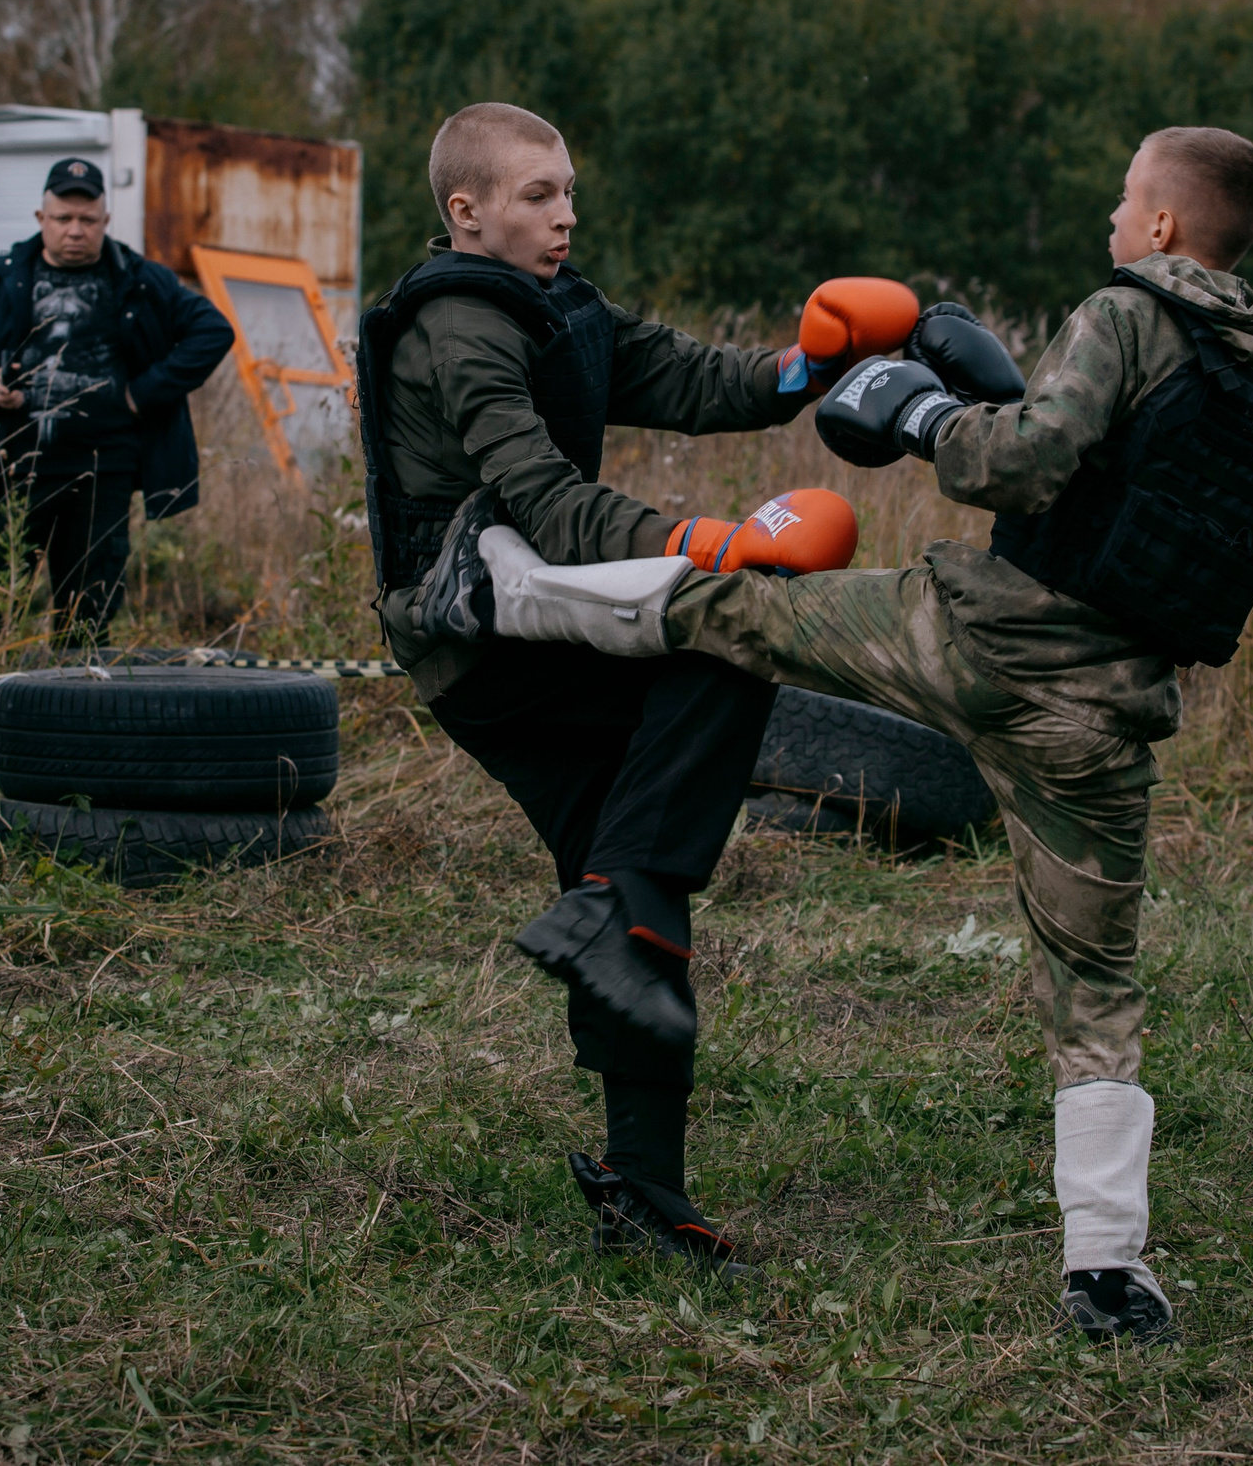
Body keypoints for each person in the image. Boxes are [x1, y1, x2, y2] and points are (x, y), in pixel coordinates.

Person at [441, 126, 1253, 1342]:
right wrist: (974, 393)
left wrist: (926, 414)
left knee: (746, 606)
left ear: (1163, 226)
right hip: (1104, 709)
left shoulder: (1125, 312)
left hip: (978, 639)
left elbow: (1019, 469)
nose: (1112, 220)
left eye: (1125, 200)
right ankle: (1108, 1270)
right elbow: (1123, 495)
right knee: (1095, 988)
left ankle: (508, 592)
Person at [357, 101, 915, 1274]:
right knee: (726, 639)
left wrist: (809, 361)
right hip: (483, 637)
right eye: (537, 196)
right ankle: (615, 920)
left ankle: (643, 1187)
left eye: (567, 190)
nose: (565, 214)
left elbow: (695, 379)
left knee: (626, 884)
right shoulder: (459, 326)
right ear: (466, 211)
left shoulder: (557, 301)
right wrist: (708, 541)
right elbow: (545, 499)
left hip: (540, 616)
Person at [0, 158, 234, 642]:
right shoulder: (0, 276)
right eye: (63, 219)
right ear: (41, 219)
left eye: (88, 220)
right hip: (16, 467)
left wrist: (141, 394)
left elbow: (214, 330)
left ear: (105, 221)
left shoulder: (139, 279)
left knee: (87, 618)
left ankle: (76, 684)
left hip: (103, 471)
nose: (75, 230)